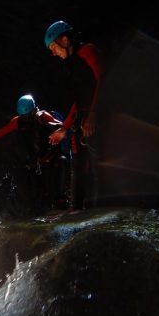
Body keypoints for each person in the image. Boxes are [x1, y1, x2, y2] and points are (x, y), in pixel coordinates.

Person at [43, 20, 104, 209]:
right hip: (84, 119)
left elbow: (103, 80)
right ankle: (76, 211)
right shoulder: (72, 65)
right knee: (77, 166)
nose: (53, 52)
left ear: (65, 39)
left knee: (97, 167)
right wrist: (64, 128)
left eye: (54, 47)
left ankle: (99, 210)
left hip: (98, 116)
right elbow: (78, 102)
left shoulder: (87, 51)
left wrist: (93, 113)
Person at [0, 94, 66, 213]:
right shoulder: (18, 121)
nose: (25, 119)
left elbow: (60, 125)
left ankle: (61, 198)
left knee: (61, 162)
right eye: (23, 116)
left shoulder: (42, 116)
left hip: (50, 155)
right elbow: (3, 131)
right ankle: (38, 205)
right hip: (35, 159)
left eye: (27, 116)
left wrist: (57, 127)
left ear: (33, 111)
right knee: (32, 181)